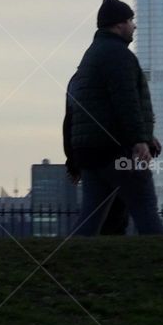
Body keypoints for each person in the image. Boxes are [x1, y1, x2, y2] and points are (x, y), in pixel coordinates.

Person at [67, 0, 163, 236]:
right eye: (131, 20)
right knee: (145, 206)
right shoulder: (118, 56)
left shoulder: (93, 54)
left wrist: (145, 136)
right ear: (119, 24)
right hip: (116, 151)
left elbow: (101, 106)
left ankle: (66, 263)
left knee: (90, 216)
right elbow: (126, 102)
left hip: (92, 152)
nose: (134, 26)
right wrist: (139, 140)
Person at [63, 71, 130, 234]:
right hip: (114, 154)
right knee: (116, 213)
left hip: (89, 155)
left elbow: (69, 123)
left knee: (97, 211)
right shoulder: (115, 77)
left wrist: (72, 160)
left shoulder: (77, 81)